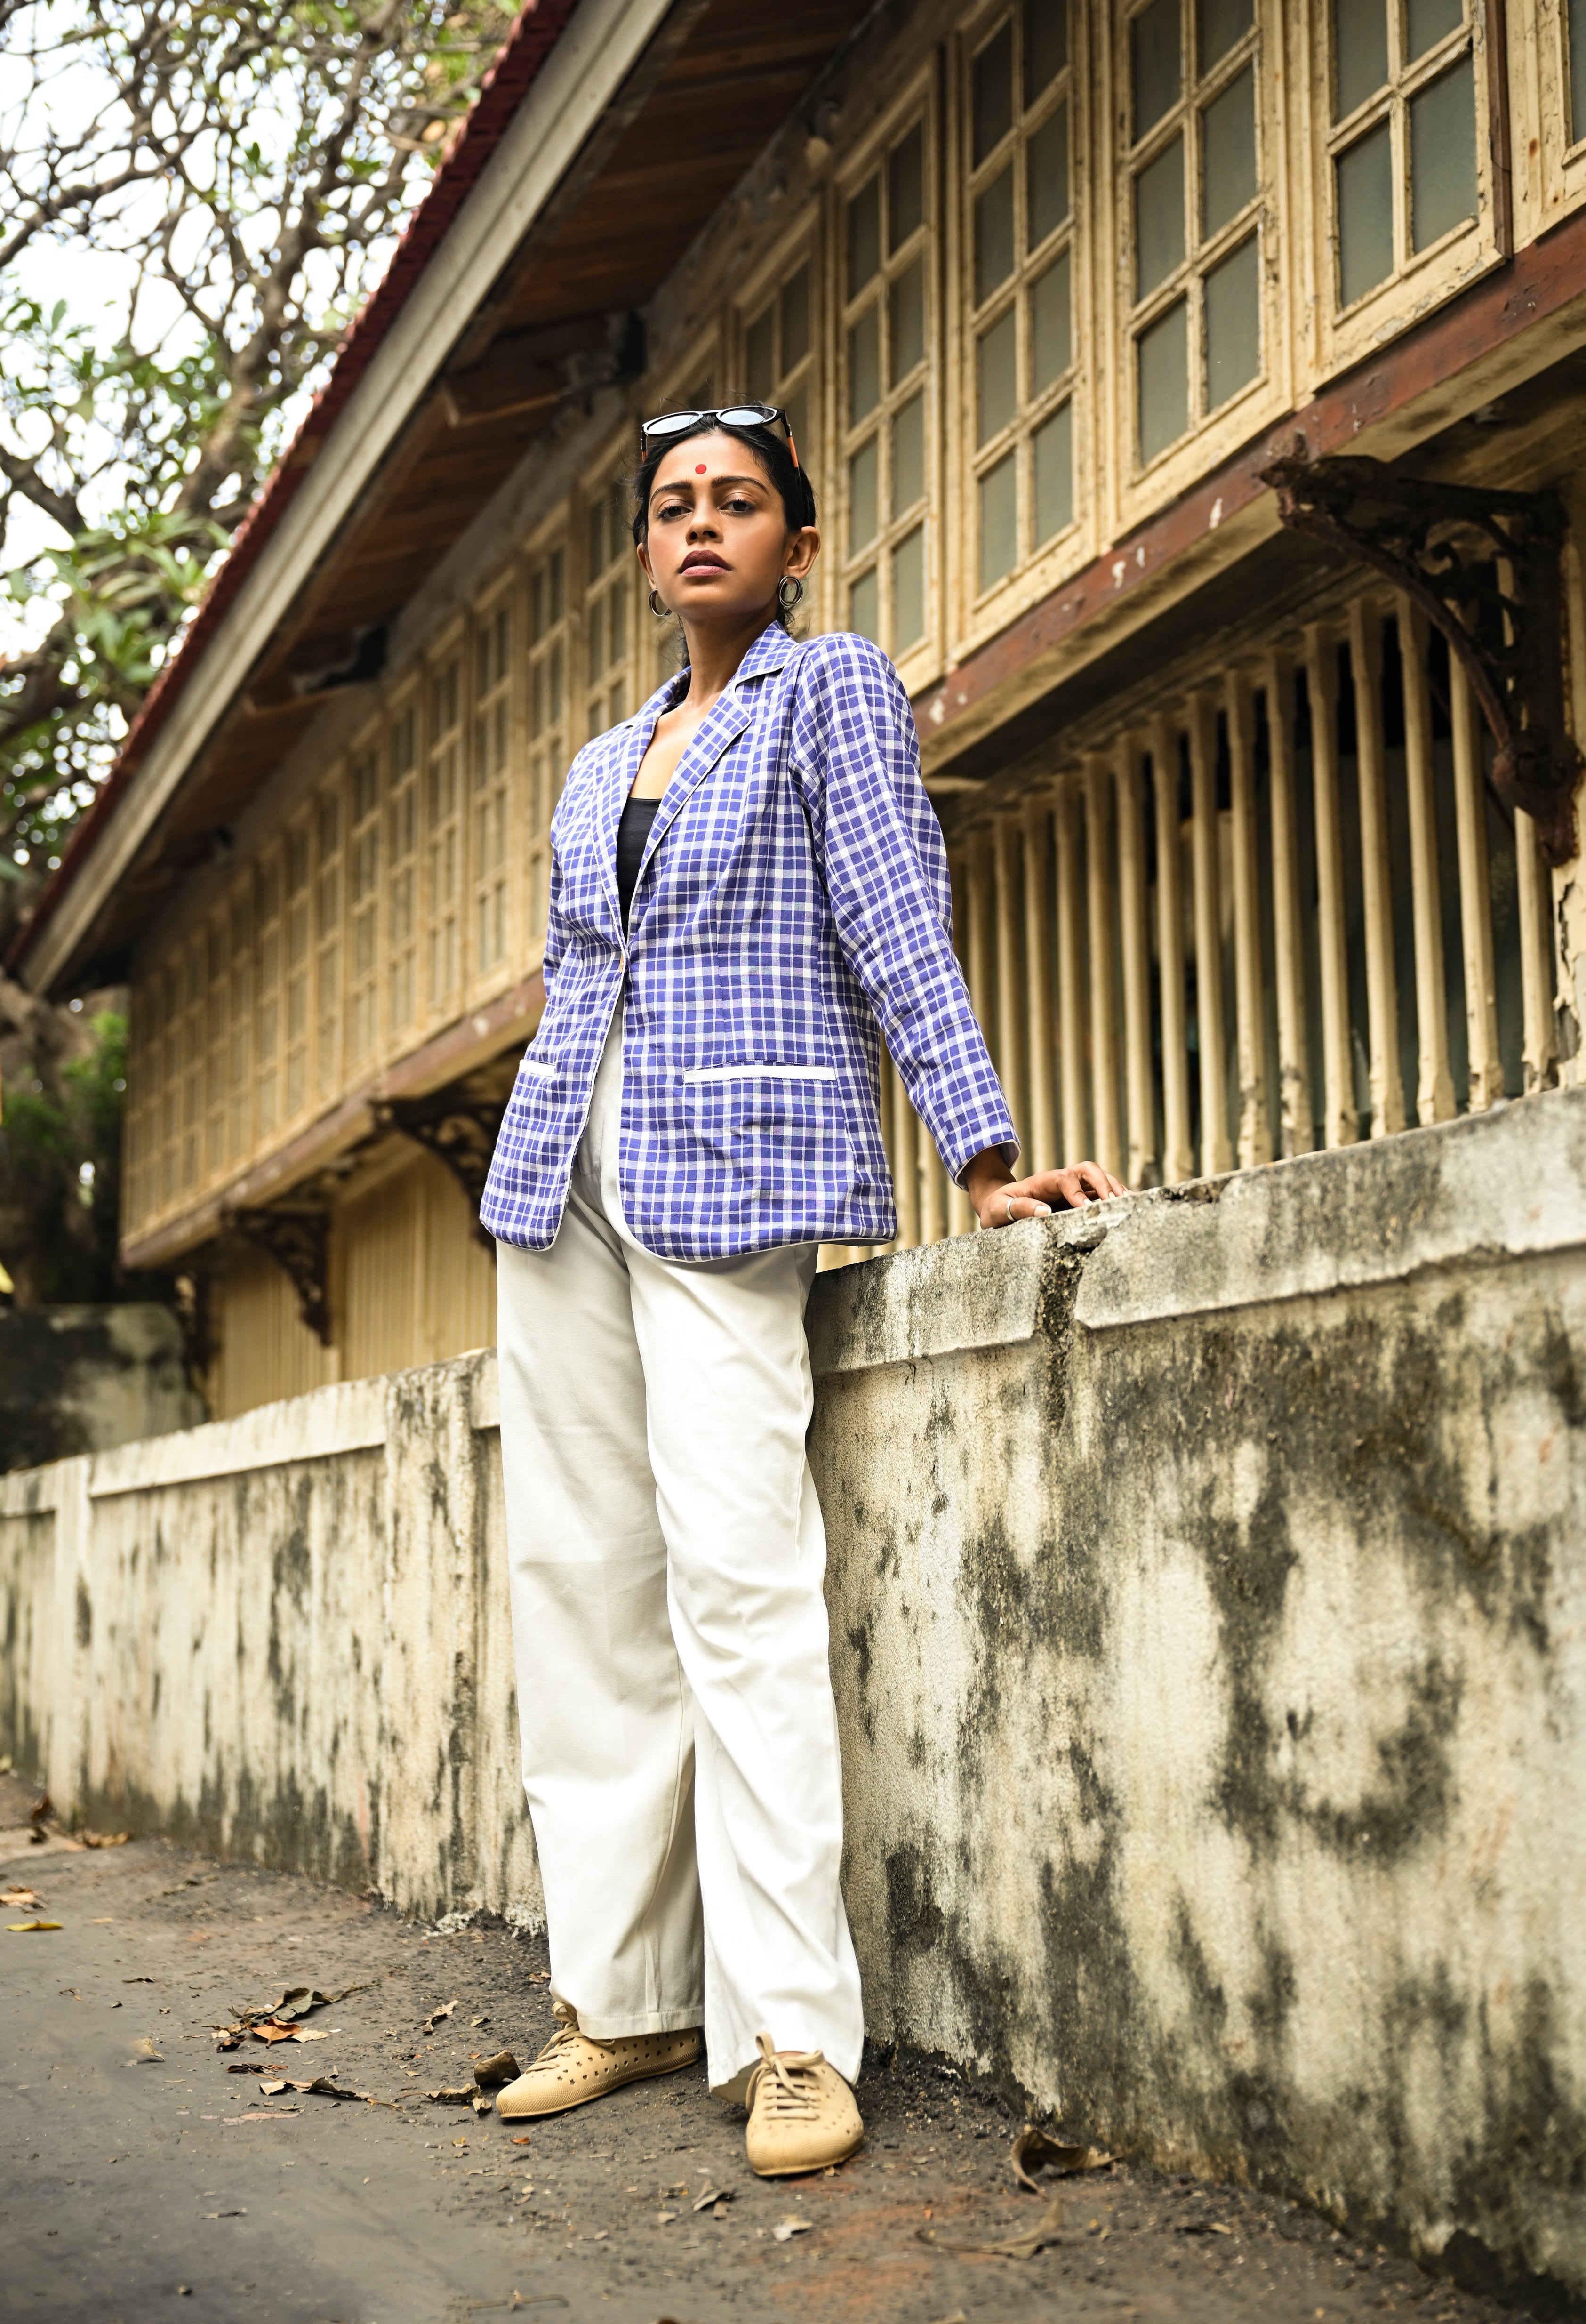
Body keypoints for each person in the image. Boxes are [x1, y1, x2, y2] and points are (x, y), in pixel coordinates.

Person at [478, 403, 1125, 2179]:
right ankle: (622, 1996)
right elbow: (573, 977)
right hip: (565, 1178)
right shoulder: (602, 760)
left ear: (797, 543)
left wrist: (982, 1157)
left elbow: (896, 911)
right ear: (643, 554)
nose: (703, 528)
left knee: (742, 1584)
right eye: (674, 507)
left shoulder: (828, 687)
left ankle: (793, 2032)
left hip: (730, 1162)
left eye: (738, 503)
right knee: (585, 1590)